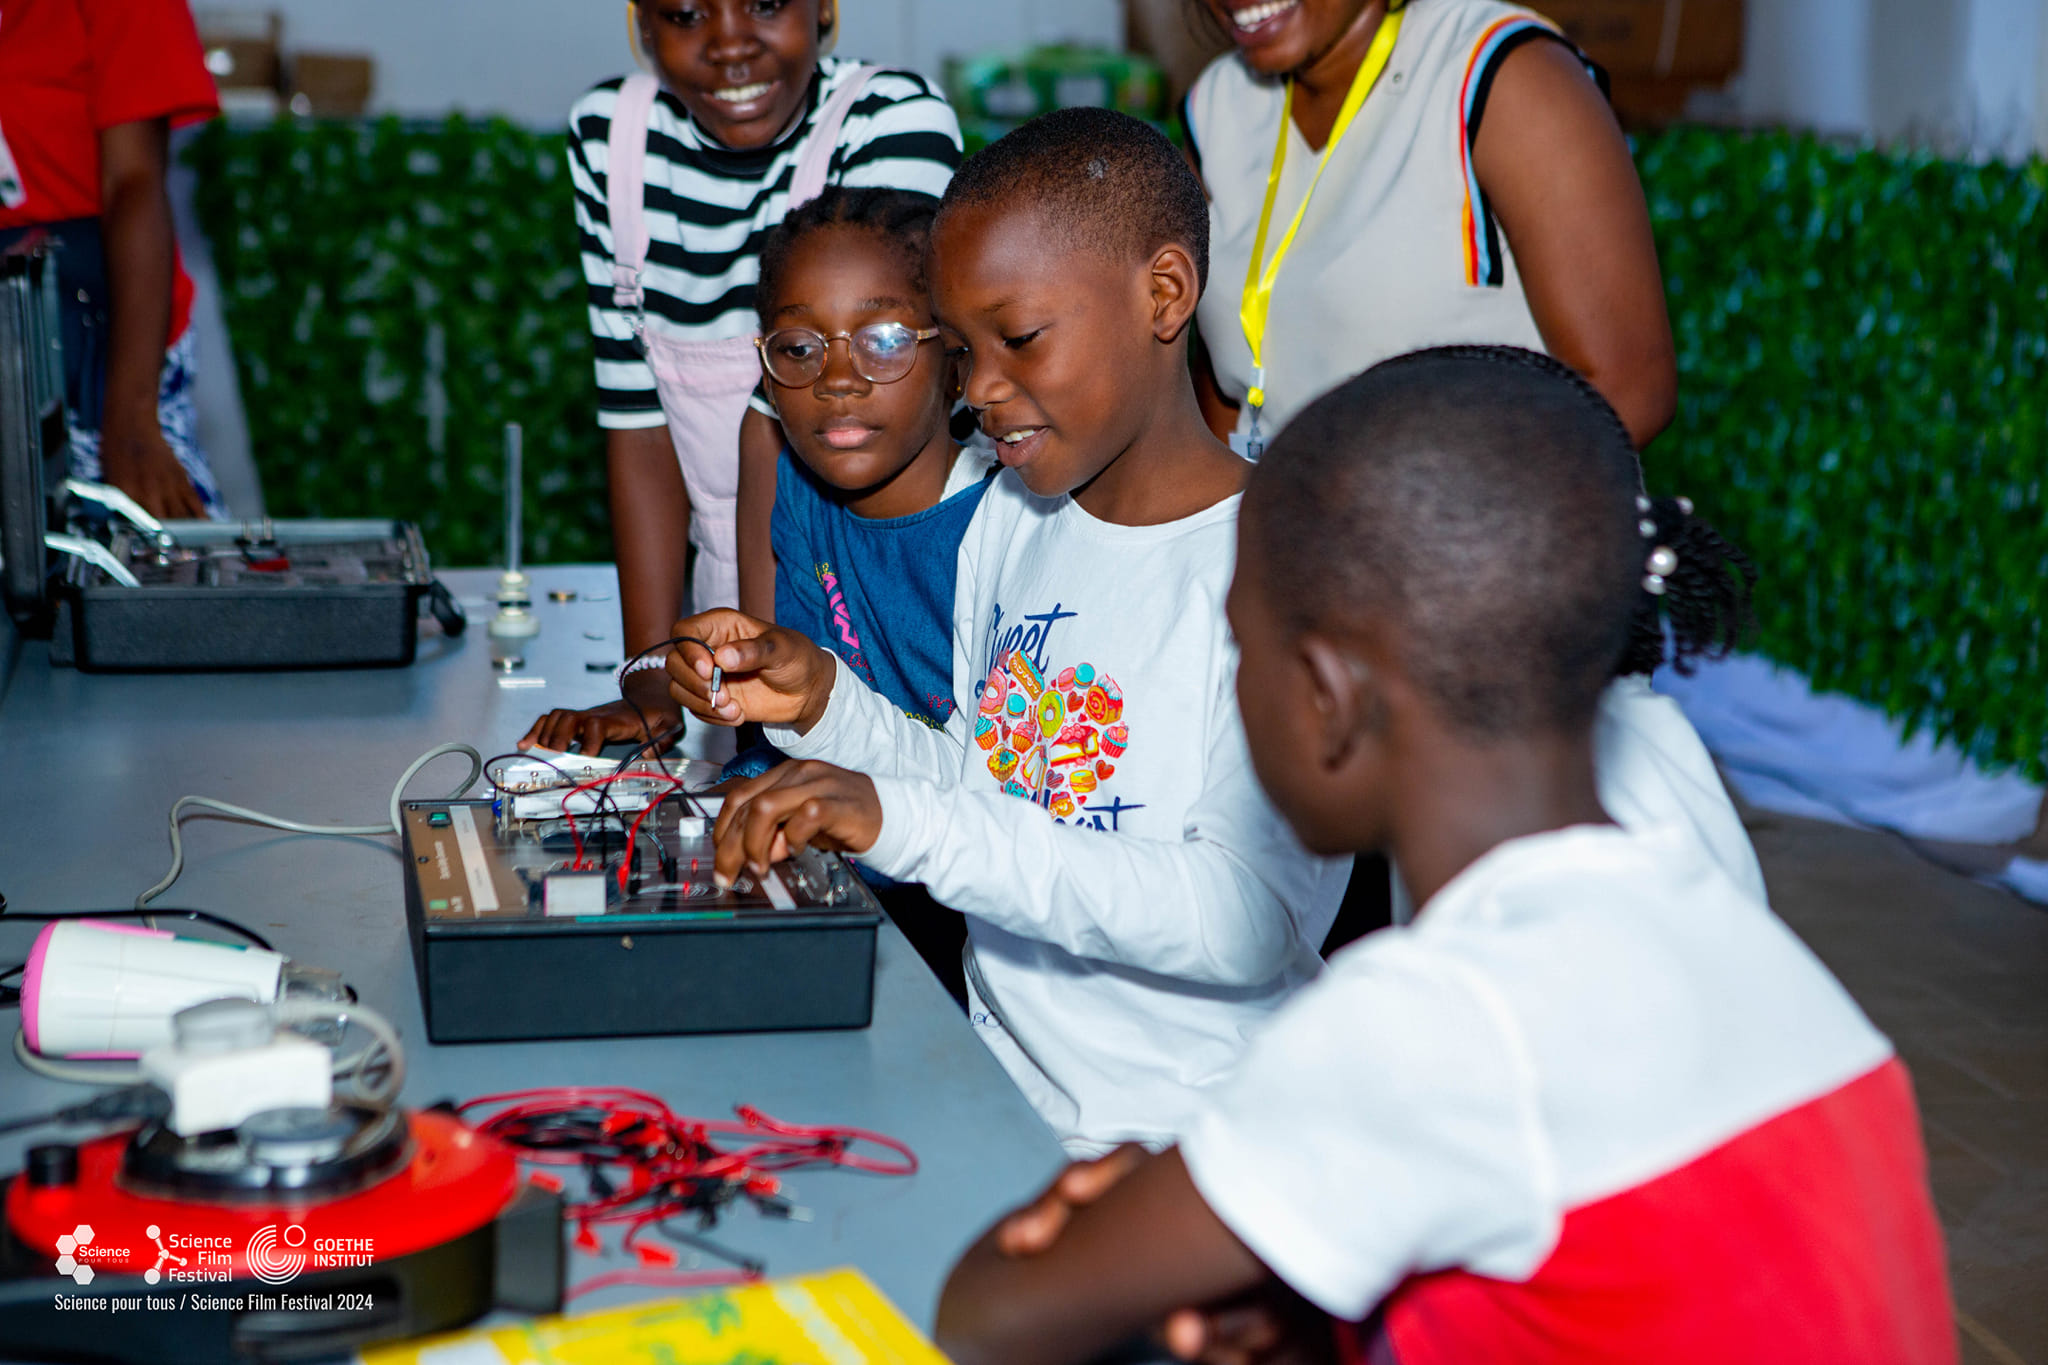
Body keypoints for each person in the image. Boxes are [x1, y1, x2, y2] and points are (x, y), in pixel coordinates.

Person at [933, 348, 1955, 1365]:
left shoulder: (1433, 1021)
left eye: (1241, 646)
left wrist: (1122, 1205)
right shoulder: (1736, 940)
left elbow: (988, 1317)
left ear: (1326, 698)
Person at [663, 108, 1350, 1153]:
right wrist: (825, 706)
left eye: (1018, 339)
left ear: (1164, 294)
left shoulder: (1286, 570)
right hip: (1005, 1095)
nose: (979, 390)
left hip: (1190, 1145)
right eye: (962, 349)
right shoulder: (1014, 522)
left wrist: (906, 823)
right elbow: (986, 786)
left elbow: (1243, 919)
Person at [521, 0, 962, 757]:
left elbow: (785, 412)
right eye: (686, 13)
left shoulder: (891, 117)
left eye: (764, 4)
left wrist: (765, 703)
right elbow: (636, 418)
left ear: (824, 7)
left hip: (867, 586)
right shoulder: (611, 139)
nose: (730, 45)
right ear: (642, 23)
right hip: (723, 619)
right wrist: (652, 677)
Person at [1183, 0, 1675, 455]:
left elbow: (1630, 389)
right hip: (1276, 518)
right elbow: (1224, 391)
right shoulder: (1216, 107)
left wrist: (1418, 512)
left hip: (1472, 518)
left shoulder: (1501, 71)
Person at [752, 183, 996, 997]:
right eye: (798, 347)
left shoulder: (1002, 520)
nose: (838, 379)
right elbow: (807, 727)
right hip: (862, 882)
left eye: (885, 339)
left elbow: (1001, 802)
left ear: (955, 362)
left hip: (977, 907)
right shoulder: (800, 489)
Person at [0, 0, 225, 518]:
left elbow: (135, 182)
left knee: (145, 543)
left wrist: (131, 421)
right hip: (13, 342)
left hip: (104, 339)